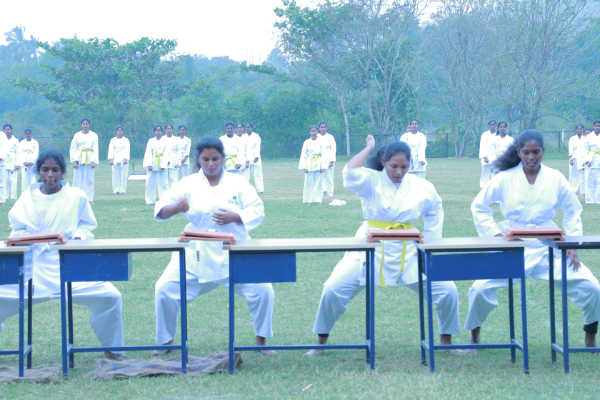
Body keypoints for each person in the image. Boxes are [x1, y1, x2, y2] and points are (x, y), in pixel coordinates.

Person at [305, 135, 463, 357]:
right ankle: (321, 343)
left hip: (408, 250)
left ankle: (446, 341)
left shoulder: (422, 186)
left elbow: (435, 210)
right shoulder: (371, 180)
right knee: (332, 289)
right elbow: (349, 173)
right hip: (371, 246)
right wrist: (368, 148)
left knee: (447, 290)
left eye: (404, 167)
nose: (399, 172)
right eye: (393, 166)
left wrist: (428, 242)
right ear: (383, 161)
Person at [465, 130, 600, 352]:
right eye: (526, 152)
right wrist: (496, 235)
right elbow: (478, 206)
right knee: (480, 288)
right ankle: (474, 336)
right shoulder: (504, 178)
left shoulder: (555, 178)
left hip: (549, 245)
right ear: (518, 152)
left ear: (543, 151)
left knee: (591, 286)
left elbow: (573, 211)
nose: (531, 157)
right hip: (512, 245)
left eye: (536, 152)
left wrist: (571, 245)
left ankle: (590, 336)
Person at [153, 136, 275, 356]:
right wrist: (177, 208)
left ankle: (261, 341)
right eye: (205, 159)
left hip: (234, 250)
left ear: (223, 159)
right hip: (196, 251)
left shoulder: (238, 183)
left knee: (263, 289)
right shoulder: (188, 183)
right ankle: (166, 341)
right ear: (198, 160)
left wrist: (235, 216)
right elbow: (161, 210)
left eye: (215, 159)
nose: (210, 164)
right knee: (164, 289)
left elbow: (257, 210)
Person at [0, 150, 125, 360]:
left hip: (68, 268)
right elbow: (16, 231)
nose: (50, 175)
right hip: (33, 270)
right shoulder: (26, 199)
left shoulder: (76, 196)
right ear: (38, 171)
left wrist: (78, 237)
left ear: (62, 171)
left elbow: (87, 225)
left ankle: (113, 349)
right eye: (45, 170)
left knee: (111, 296)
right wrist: (28, 238)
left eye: (55, 170)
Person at [69, 118, 99, 204]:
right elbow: (73, 148)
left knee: (89, 180)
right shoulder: (77, 135)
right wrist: (74, 160)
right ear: (81, 125)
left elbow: (95, 148)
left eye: (86, 124)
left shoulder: (94, 135)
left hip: (89, 158)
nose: (85, 125)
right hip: (79, 157)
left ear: (89, 125)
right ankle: (76, 199)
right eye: (84, 124)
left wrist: (94, 161)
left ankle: (89, 199)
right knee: (77, 180)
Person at [299, 125, 326, 205]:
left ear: (317, 131)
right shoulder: (307, 142)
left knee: (319, 182)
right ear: (310, 132)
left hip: (319, 161)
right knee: (308, 182)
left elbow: (324, 154)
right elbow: (303, 154)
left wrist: (323, 166)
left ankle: (318, 199)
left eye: (315, 131)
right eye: (312, 131)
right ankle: (308, 199)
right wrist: (304, 167)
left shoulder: (321, 141)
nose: (313, 132)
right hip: (309, 162)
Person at [143, 125, 170, 205]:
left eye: (159, 130)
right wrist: (149, 164)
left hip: (161, 161)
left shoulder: (165, 141)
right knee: (150, 183)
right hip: (153, 161)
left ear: (162, 132)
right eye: (157, 130)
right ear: (154, 131)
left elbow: (166, 153)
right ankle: (150, 200)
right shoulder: (151, 141)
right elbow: (148, 152)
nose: (158, 132)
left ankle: (164, 200)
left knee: (163, 183)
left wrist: (163, 165)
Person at [107, 126, 130, 195]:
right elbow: (111, 149)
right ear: (116, 132)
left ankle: (123, 191)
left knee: (123, 175)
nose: (119, 132)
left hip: (123, 157)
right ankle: (116, 190)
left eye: (121, 131)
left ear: (123, 132)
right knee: (115, 175)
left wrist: (126, 159)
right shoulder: (113, 140)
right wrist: (111, 159)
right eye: (118, 131)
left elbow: (127, 150)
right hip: (115, 158)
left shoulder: (126, 140)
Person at [582, 120, 600, 205]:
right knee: (589, 181)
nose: (598, 127)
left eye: (599, 126)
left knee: (599, 181)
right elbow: (584, 148)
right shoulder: (589, 136)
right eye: (596, 126)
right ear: (593, 127)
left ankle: (598, 200)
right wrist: (586, 160)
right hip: (590, 159)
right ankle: (589, 200)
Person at [318, 121, 336, 200]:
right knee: (319, 178)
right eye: (321, 127)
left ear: (326, 128)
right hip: (319, 160)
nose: (323, 128)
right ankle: (319, 195)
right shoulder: (317, 137)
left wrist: (332, 161)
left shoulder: (330, 137)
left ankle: (330, 194)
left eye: (324, 127)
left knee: (329, 178)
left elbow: (333, 149)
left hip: (328, 159)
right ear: (319, 128)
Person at [17, 128, 39, 193]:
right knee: (24, 177)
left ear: (31, 134)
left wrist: (32, 161)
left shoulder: (35, 142)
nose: (28, 135)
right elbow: (20, 152)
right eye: (27, 133)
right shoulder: (22, 142)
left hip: (32, 160)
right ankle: (24, 192)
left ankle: (33, 191)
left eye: (29, 133)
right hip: (24, 160)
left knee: (33, 177)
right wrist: (24, 161)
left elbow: (36, 153)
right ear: (25, 134)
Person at [245, 123, 264, 194]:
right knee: (246, 174)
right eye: (246, 127)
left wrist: (256, 157)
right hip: (247, 157)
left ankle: (260, 189)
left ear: (252, 128)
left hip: (255, 156)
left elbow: (258, 146)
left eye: (249, 127)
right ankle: (245, 190)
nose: (248, 128)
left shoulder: (256, 136)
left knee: (258, 174)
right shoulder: (244, 136)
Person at [3, 124, 20, 201]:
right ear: (4, 130)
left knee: (13, 180)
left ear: (11, 130)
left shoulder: (15, 140)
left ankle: (13, 197)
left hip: (13, 160)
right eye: (5, 129)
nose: (7, 131)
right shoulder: (2, 140)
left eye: (8, 129)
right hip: (4, 160)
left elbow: (18, 152)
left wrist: (17, 164)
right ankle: (5, 196)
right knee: (5, 179)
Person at [569, 124, 585, 197]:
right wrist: (571, 159)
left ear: (582, 130)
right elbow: (571, 148)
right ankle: (573, 189)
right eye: (578, 129)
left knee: (582, 173)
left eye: (581, 129)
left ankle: (583, 190)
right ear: (576, 130)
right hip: (574, 157)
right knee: (573, 174)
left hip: (582, 157)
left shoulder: (585, 138)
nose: (579, 130)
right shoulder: (572, 138)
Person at [479, 120, 497, 188]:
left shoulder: (498, 134)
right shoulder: (485, 134)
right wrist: (485, 157)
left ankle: (493, 186)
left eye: (493, 124)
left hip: (495, 156)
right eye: (491, 124)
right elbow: (483, 146)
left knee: (494, 172)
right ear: (489, 125)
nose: (492, 126)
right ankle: (483, 186)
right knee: (485, 171)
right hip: (486, 156)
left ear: (495, 125)